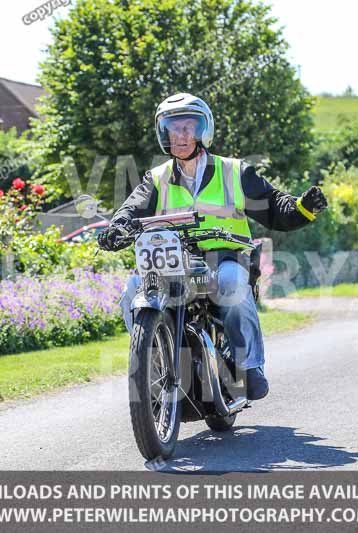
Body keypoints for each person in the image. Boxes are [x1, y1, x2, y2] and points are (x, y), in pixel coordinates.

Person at [97, 93, 326, 400]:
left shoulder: (233, 171)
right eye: (172, 128)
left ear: (204, 131)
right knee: (132, 290)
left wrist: (302, 208)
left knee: (232, 283)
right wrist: (117, 227)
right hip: (174, 262)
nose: (180, 135)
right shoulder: (157, 178)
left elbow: (274, 206)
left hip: (225, 257)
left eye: (188, 127)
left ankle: (249, 367)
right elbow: (131, 209)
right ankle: (152, 366)